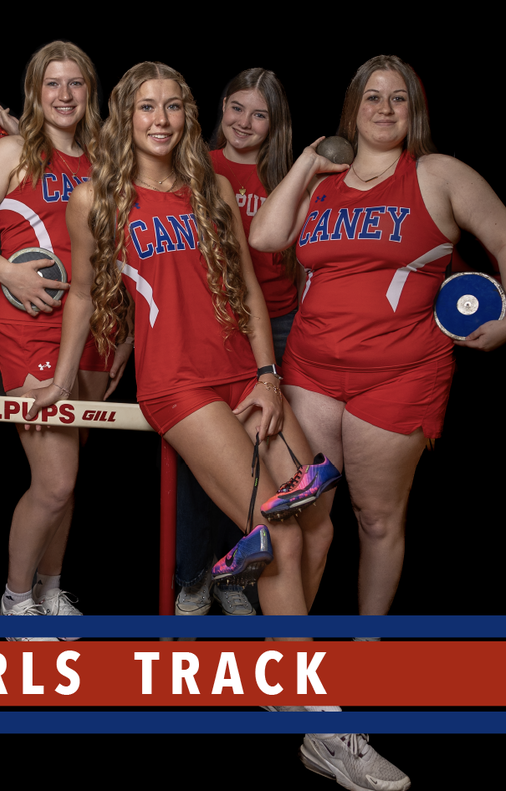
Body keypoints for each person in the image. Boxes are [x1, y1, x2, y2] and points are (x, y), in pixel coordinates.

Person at [28, 60, 409, 791]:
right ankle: (324, 727)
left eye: (173, 106)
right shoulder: (94, 199)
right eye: (146, 108)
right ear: (125, 118)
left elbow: (249, 294)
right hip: (179, 383)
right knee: (282, 532)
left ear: (187, 115)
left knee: (322, 520)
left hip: (244, 371)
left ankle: (278, 662)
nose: (162, 120)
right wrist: (62, 373)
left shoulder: (213, 190)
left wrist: (269, 377)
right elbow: (81, 294)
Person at [251, 55, 506, 620]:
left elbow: (505, 236)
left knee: (376, 517)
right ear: (353, 109)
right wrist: (309, 162)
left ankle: (366, 651)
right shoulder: (324, 183)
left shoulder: (437, 174)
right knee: (306, 516)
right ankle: (292, 665)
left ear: (414, 111)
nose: (384, 109)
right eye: (372, 97)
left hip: (399, 375)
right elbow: (266, 237)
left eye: (398, 98)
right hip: (311, 371)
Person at [0, 41, 128, 636]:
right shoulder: (15, 150)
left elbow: (121, 250)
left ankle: (50, 590)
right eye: (53, 84)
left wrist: (123, 324)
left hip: (94, 322)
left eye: (76, 84)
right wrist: (5, 270)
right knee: (55, 479)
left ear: (90, 92)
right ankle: (15, 599)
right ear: (35, 93)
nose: (65, 95)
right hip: (29, 320)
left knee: (70, 470)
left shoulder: (106, 157)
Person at [175, 69, 299, 618]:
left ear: (276, 125)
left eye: (260, 114)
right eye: (237, 108)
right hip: (215, 325)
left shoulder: (288, 176)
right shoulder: (195, 165)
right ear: (220, 109)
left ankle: (237, 579)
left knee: (263, 459)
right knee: (208, 463)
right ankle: (194, 577)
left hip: (278, 326)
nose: (245, 123)